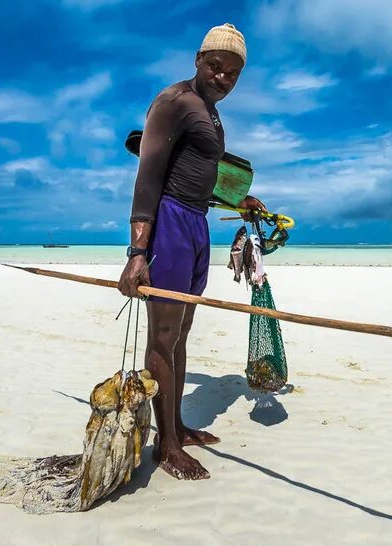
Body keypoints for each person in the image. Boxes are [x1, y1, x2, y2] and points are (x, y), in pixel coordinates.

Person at [119, 23, 266, 480]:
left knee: (180, 335)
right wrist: (138, 252)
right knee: (163, 336)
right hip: (170, 224)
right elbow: (149, 177)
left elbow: (202, 174)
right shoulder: (174, 102)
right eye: (216, 66)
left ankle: (176, 426)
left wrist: (236, 201)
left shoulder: (209, 112)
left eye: (233, 73)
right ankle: (165, 447)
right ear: (198, 60)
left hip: (197, 224)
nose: (223, 77)